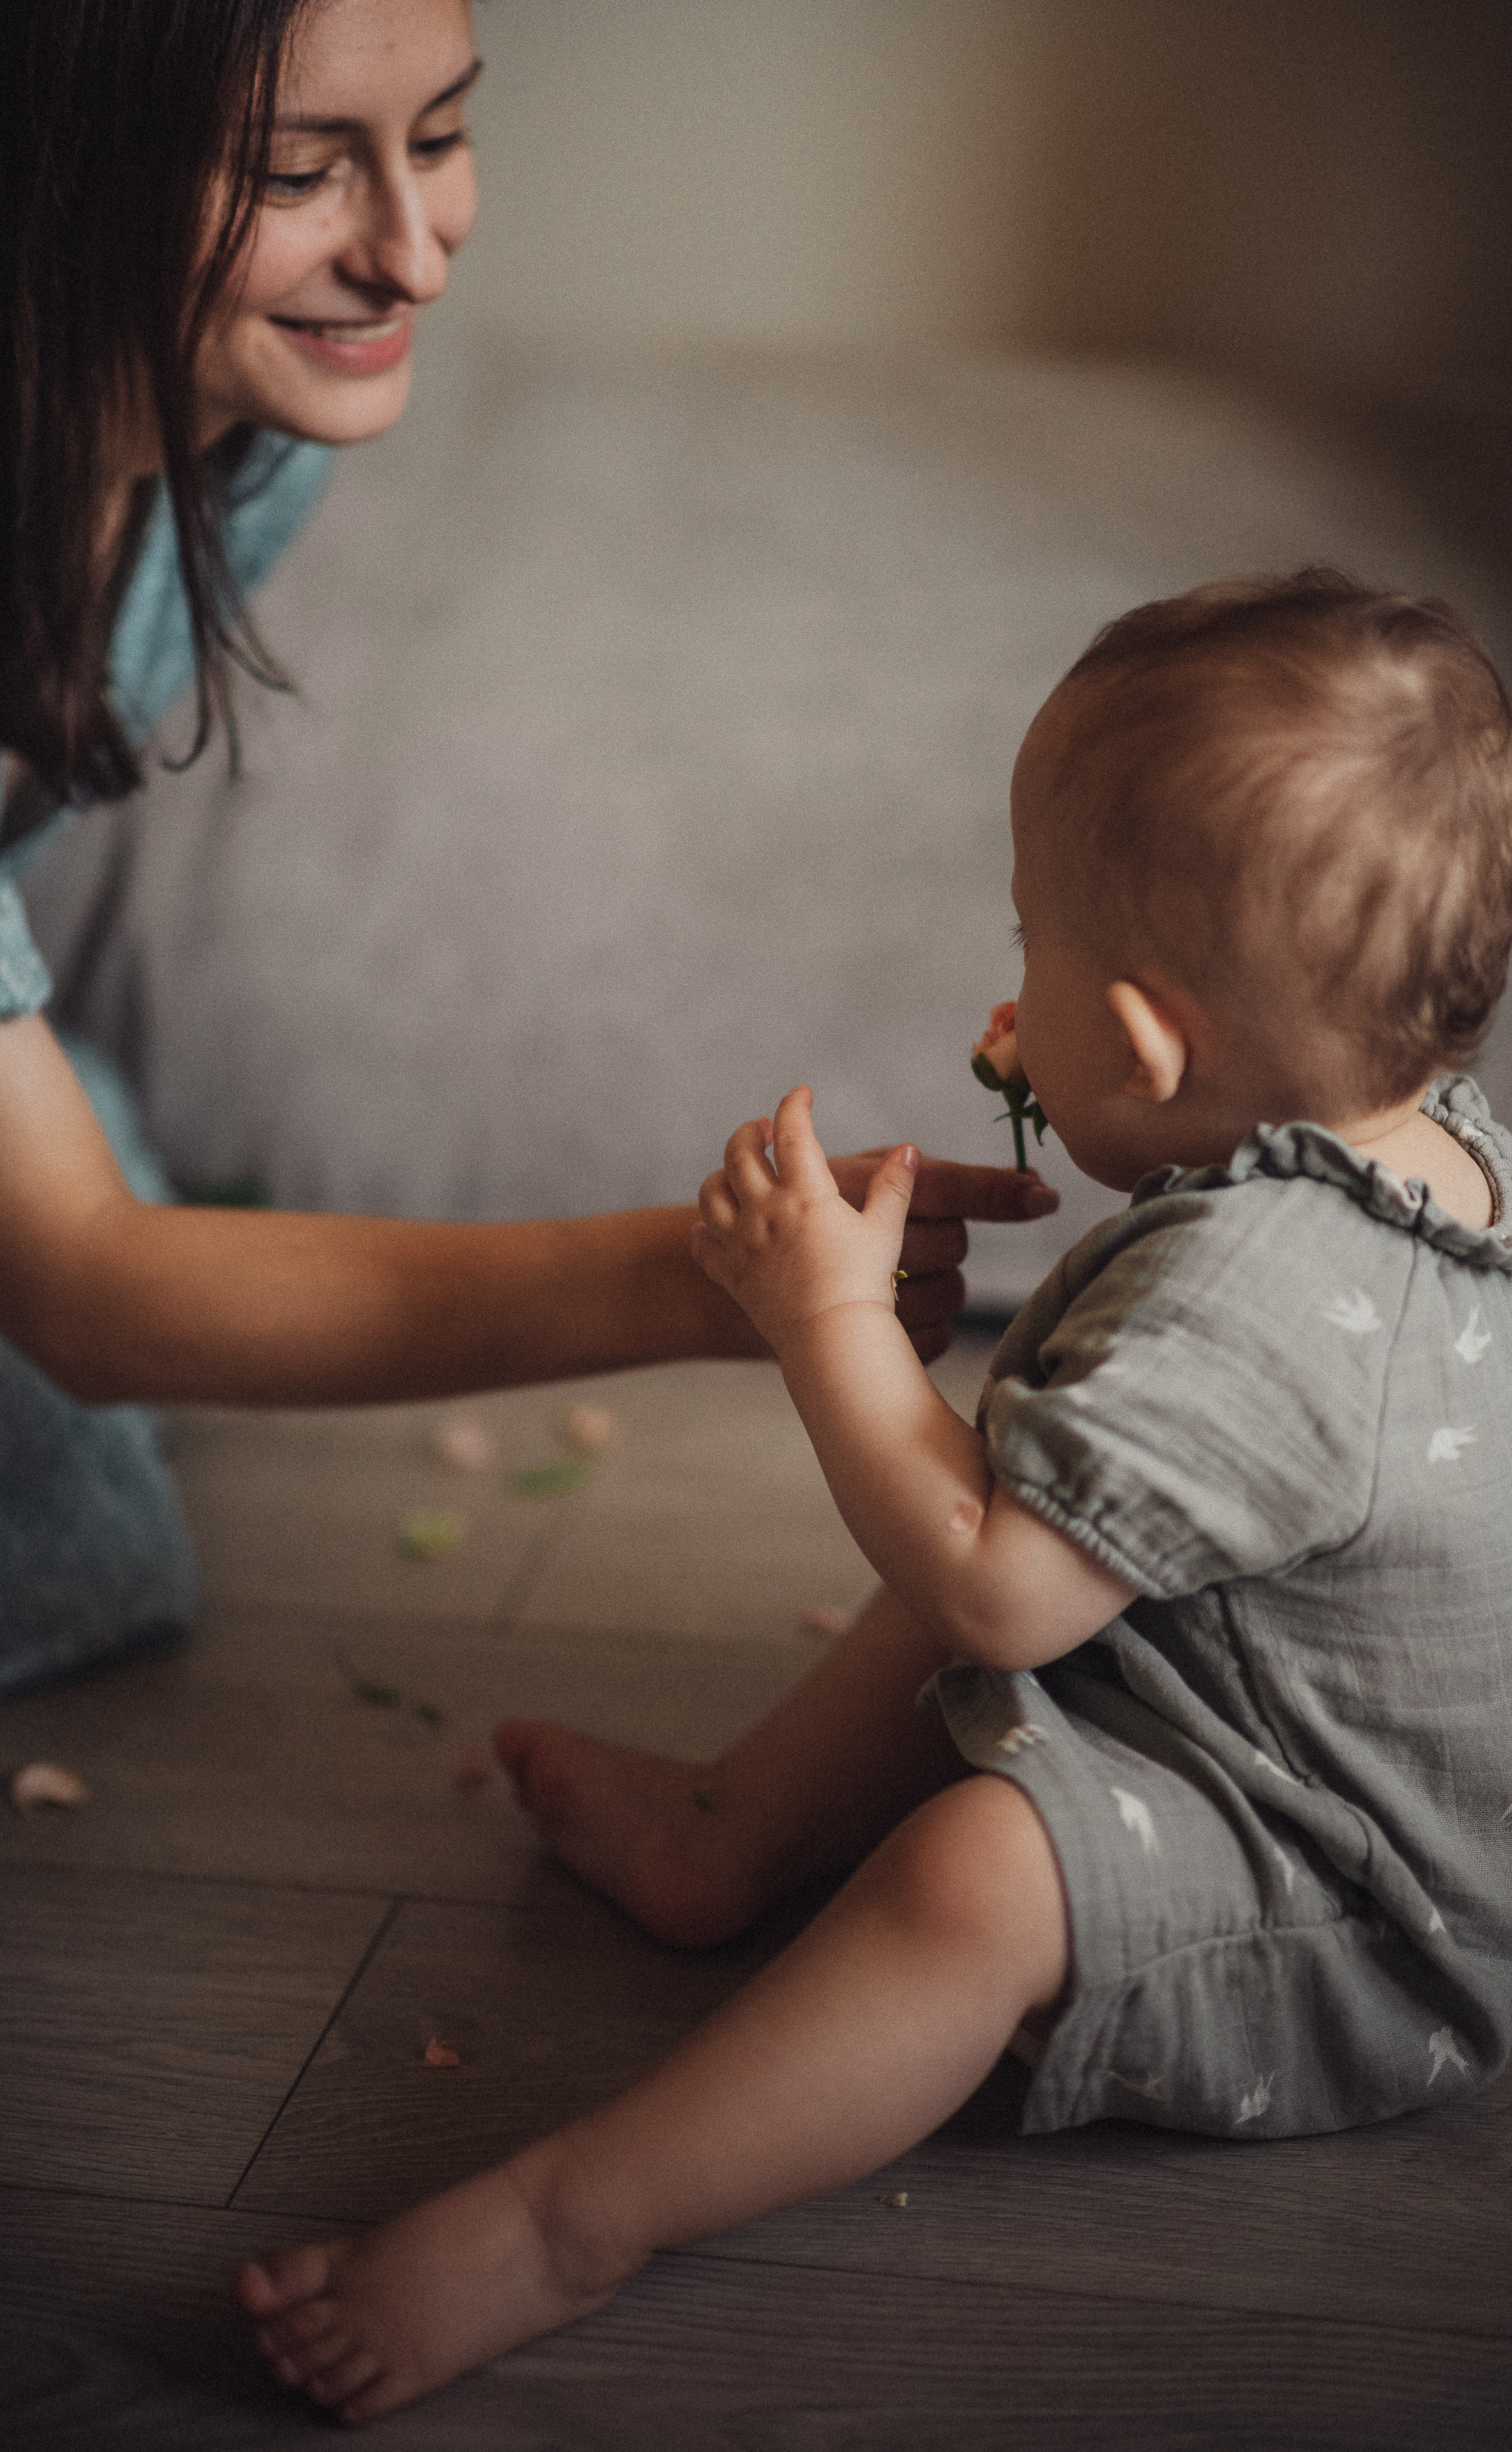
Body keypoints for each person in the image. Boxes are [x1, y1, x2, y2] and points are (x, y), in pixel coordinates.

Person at [239, 570, 1512, 2424]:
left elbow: (993, 1597)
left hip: (1362, 1935)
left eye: (1027, 938)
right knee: (1030, 1512)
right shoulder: (1439, 1157)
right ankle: (726, 1839)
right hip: (1297, 1749)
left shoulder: (1266, 1297)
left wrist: (818, 1319)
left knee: (975, 1854)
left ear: (1139, 1043)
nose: (1001, 992)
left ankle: (570, 2221)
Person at [0, 0, 1053, 1696]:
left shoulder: (245, 432)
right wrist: (708, 1278)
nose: (412, 257)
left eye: (439, 137)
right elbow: (84, 1289)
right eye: (295, 169)